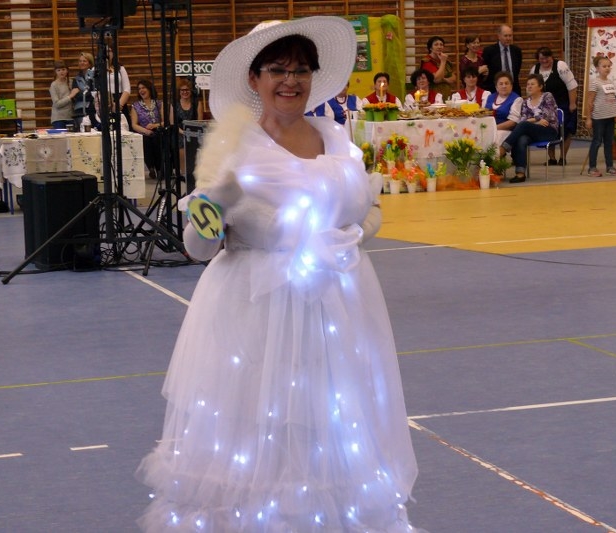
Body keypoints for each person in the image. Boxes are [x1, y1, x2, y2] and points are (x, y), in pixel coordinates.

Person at [135, 16, 418, 532]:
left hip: (332, 314)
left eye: (301, 70)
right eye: (278, 70)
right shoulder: (233, 148)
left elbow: (362, 208)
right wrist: (217, 201)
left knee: (325, 432)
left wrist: (361, 225)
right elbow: (198, 246)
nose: (291, 81)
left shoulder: (335, 138)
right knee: (255, 437)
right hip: (254, 317)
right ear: (254, 78)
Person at [499, 74, 558, 183]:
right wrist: (537, 121)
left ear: (540, 86)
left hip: (548, 130)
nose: (529, 86)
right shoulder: (526, 102)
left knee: (523, 126)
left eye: (532, 84)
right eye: (528, 84)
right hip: (533, 131)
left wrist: (532, 120)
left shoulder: (547, 96)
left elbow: (548, 116)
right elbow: (523, 119)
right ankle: (520, 173)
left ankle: (503, 148)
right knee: (522, 139)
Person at [528, 47, 577, 165]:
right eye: (542, 58)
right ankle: (552, 158)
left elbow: (572, 86)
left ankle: (563, 158)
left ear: (552, 57)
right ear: (538, 59)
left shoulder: (561, 66)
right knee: (549, 129)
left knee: (565, 131)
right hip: (546, 106)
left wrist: (572, 103)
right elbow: (532, 89)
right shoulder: (535, 69)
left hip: (564, 104)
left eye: (547, 58)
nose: (545, 61)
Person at [584, 56, 616, 178]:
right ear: (597, 68)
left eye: (609, 66)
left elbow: (612, 99)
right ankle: (592, 167)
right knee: (596, 142)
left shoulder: (610, 82)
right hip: (599, 117)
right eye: (604, 66)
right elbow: (590, 102)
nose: (607, 68)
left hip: (610, 117)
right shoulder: (595, 82)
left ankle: (610, 167)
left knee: (609, 142)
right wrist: (588, 118)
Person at [129, 79, 162, 180]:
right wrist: (145, 131)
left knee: (157, 139)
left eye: (143, 88)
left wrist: (155, 125)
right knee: (146, 141)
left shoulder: (159, 103)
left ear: (149, 89)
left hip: (157, 129)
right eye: (139, 89)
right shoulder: (136, 106)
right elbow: (134, 125)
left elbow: (166, 121)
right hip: (144, 131)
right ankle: (151, 167)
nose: (141, 90)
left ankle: (159, 168)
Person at [482, 24, 523, 95]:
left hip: (514, 89)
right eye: (505, 36)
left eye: (510, 36)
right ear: (499, 36)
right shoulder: (489, 51)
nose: (508, 38)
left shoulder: (517, 51)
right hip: (494, 90)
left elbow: (517, 70)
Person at [485, 71, 523, 146]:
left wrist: (494, 128)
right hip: (489, 129)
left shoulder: (517, 99)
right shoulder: (490, 97)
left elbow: (513, 122)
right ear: (496, 87)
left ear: (511, 86)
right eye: (501, 84)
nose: (504, 86)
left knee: (496, 138)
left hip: (506, 131)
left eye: (506, 83)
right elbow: (483, 115)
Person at [420, 36, 456, 101]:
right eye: (436, 45)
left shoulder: (447, 61)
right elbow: (436, 79)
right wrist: (443, 62)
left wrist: (444, 80)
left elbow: (453, 79)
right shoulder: (427, 61)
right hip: (433, 95)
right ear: (430, 48)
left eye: (441, 45)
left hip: (446, 93)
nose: (439, 47)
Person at [71, 51, 97, 131]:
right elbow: (76, 95)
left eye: (84, 61)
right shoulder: (76, 79)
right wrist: (88, 94)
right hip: (80, 110)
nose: (81, 63)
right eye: (80, 61)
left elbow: (95, 93)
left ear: (90, 63)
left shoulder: (95, 77)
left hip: (93, 109)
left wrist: (84, 93)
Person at [49, 60, 77, 129]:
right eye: (58, 70)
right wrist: (70, 96)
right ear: (55, 72)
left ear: (67, 70)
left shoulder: (71, 82)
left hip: (71, 117)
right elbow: (57, 104)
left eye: (63, 69)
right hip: (59, 118)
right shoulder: (54, 85)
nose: (61, 72)